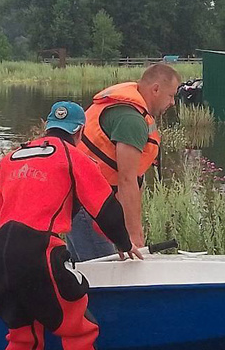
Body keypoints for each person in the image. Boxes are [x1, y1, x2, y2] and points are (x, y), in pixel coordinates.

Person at [0, 101, 142, 350]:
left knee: (23, 336)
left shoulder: (10, 158)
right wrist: (124, 243)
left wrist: (8, 249)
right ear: (79, 130)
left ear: (46, 126)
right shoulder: (74, 157)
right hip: (41, 248)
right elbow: (104, 208)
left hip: (1, 250)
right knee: (79, 327)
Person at [67, 63, 181, 261]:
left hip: (82, 204)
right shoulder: (131, 120)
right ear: (155, 89)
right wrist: (134, 236)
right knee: (106, 278)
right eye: (171, 96)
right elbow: (127, 179)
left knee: (87, 275)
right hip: (90, 208)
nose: (172, 103)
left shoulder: (130, 109)